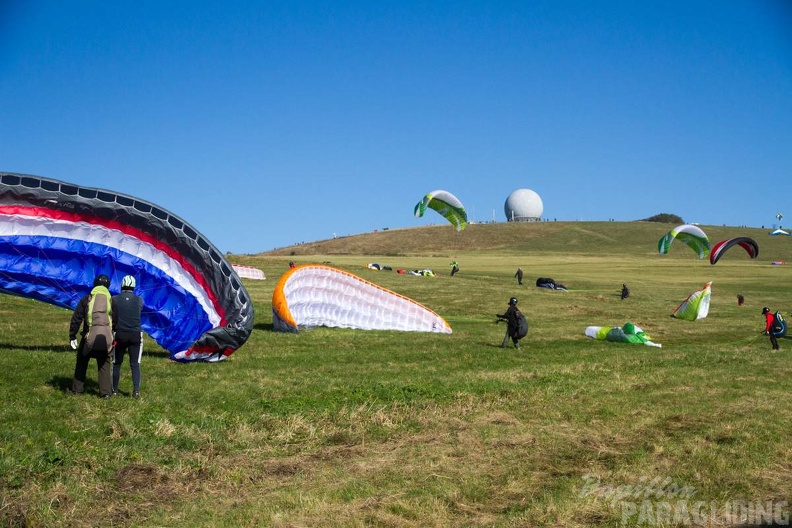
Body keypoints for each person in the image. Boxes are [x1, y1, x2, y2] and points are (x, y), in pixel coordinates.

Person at [68, 274, 114, 398]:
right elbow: (116, 321)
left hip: (89, 339)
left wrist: (72, 336)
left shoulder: (86, 299)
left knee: (82, 360)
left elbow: (76, 319)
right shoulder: (111, 301)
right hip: (106, 339)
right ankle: (105, 393)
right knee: (104, 362)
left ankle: (77, 389)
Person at [112, 275, 144, 398]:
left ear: (121, 286)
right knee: (135, 364)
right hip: (135, 335)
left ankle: (114, 390)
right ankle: (136, 391)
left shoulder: (114, 299)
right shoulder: (139, 300)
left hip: (119, 334)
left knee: (116, 363)